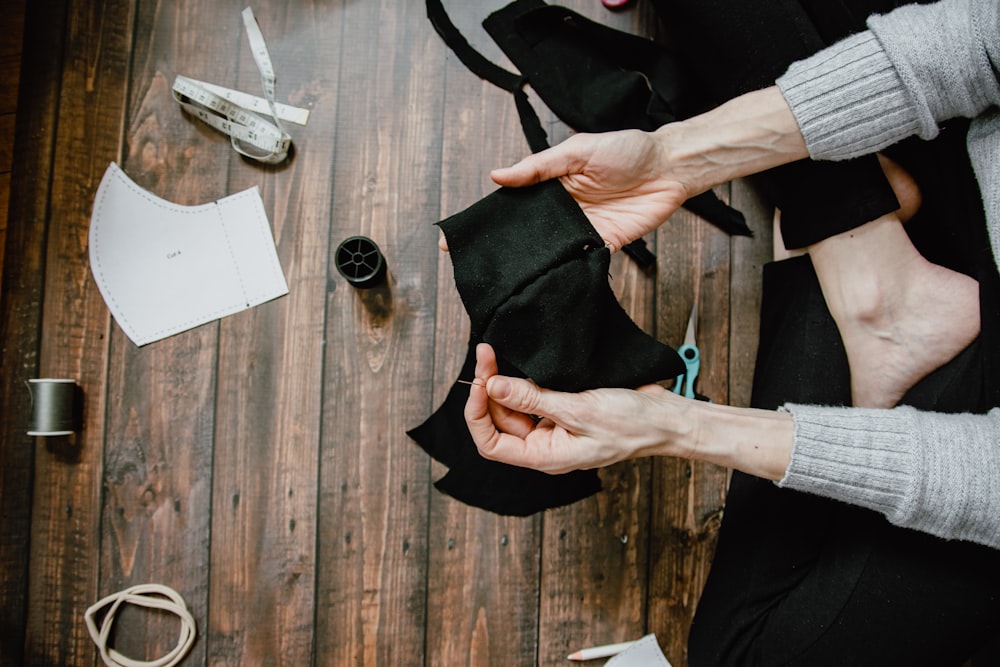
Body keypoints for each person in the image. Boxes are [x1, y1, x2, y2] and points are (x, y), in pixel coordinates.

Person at [461, 0, 1000, 662]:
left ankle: (857, 246)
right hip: (974, 156)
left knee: (739, 654)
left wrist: (677, 426)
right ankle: (862, 256)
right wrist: (673, 157)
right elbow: (977, 41)